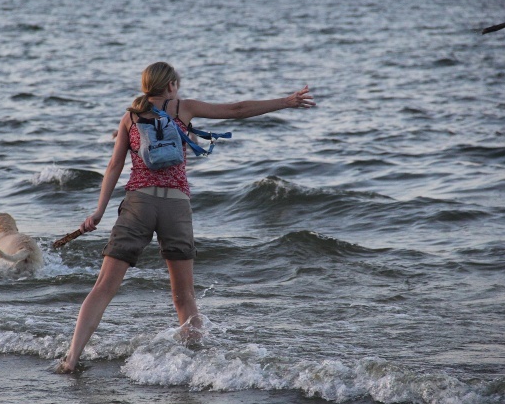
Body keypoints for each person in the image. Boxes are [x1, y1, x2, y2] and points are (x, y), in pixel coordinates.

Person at [56, 61, 315, 373]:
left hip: (138, 204)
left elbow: (113, 167)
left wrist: (98, 211)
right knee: (183, 295)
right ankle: (197, 368)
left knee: (104, 287)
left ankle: (71, 359)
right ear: (171, 86)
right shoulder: (184, 109)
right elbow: (236, 109)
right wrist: (285, 102)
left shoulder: (131, 116)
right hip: (176, 208)